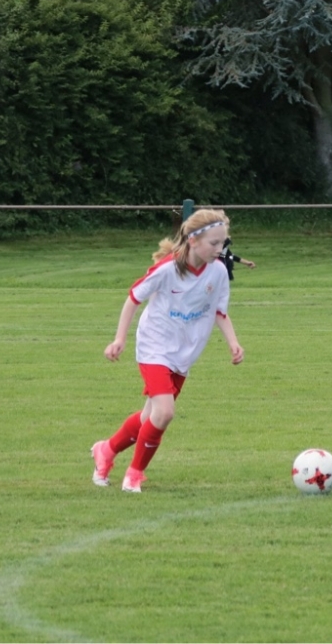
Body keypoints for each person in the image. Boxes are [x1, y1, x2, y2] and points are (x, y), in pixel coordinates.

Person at [92, 209, 244, 492]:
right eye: (214, 243)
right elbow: (133, 297)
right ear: (193, 240)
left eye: (222, 243)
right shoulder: (168, 269)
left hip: (184, 352)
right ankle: (134, 475)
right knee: (164, 413)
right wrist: (119, 339)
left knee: (149, 418)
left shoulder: (219, 272)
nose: (219, 249)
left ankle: (106, 450)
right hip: (154, 345)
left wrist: (233, 343)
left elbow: (219, 311)